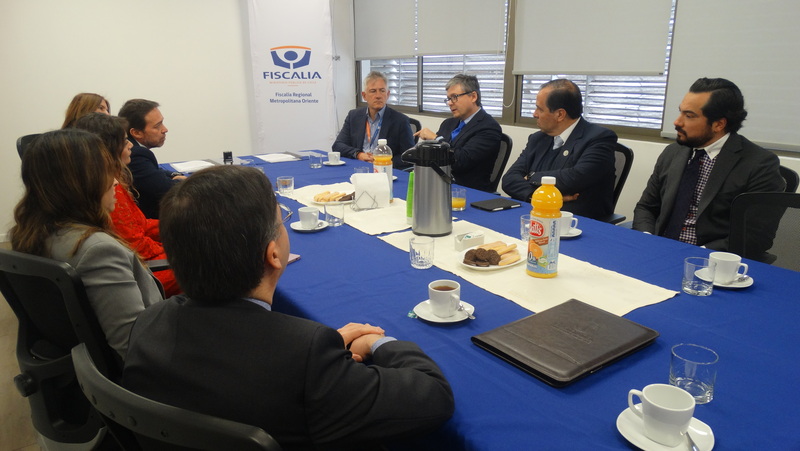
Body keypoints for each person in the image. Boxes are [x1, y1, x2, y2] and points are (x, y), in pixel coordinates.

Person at [123, 165, 455, 449]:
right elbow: (433, 396)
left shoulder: (150, 321)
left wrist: (322, 352)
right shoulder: (304, 360)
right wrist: (377, 342)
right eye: (281, 220)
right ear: (273, 254)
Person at [9, 129, 163, 360]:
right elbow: (133, 345)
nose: (115, 181)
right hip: (150, 355)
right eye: (105, 172)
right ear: (78, 182)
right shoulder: (98, 250)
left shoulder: (28, 233)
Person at [633, 77, 785, 256]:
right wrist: (647, 238)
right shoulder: (673, 152)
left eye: (689, 116)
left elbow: (756, 236)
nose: (677, 122)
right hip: (658, 249)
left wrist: (699, 255)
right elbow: (646, 207)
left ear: (718, 124)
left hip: (708, 260)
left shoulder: (759, 164)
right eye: (680, 112)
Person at [74, 113, 181, 296]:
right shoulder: (109, 191)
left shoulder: (111, 180)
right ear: (109, 149)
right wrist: (175, 246)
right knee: (210, 261)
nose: (130, 145)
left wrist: (181, 226)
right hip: (143, 271)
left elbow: (142, 225)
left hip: (141, 262)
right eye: (124, 142)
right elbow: (136, 245)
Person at [501, 79, 618, 220]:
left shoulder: (599, 138)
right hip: (535, 215)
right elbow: (509, 180)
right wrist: (538, 197)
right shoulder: (537, 139)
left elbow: (574, 178)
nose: (534, 114)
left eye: (540, 109)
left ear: (560, 114)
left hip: (577, 221)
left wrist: (531, 176)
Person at [415, 74, 502, 192]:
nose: (450, 103)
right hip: (438, 184)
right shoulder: (448, 123)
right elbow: (435, 156)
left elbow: (460, 161)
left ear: (473, 96)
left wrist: (436, 139)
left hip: (468, 191)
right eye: (448, 99)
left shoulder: (489, 127)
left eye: (454, 97)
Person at [118, 98, 186, 219]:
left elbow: (156, 171)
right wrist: (185, 182)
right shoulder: (135, 154)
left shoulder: (137, 151)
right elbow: (167, 190)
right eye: (157, 126)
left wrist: (174, 175)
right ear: (136, 133)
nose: (165, 129)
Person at [333, 71, 415, 169]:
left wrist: (381, 161)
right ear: (364, 96)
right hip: (359, 167)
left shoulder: (400, 121)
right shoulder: (354, 116)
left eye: (382, 91)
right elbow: (338, 145)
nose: (378, 96)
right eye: (373, 91)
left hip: (384, 170)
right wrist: (358, 154)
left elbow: (409, 156)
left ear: (388, 94)